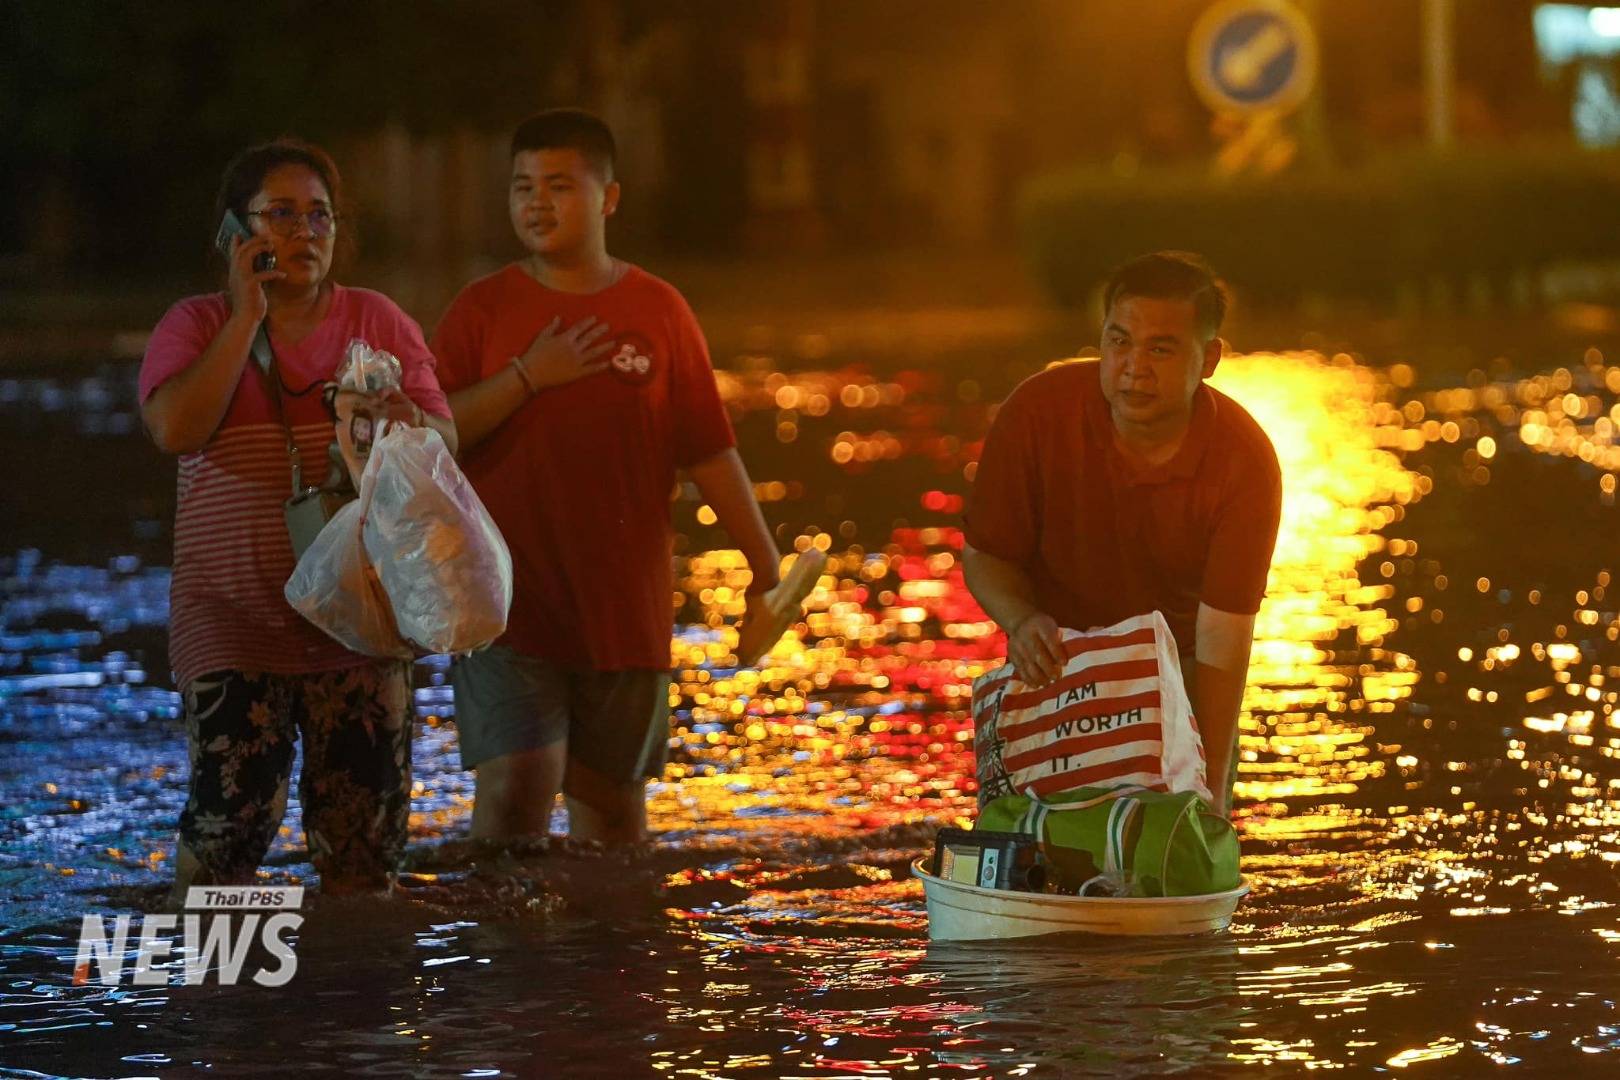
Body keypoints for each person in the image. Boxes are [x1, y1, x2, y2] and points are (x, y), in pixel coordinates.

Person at [430, 109, 782, 844]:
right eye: (523, 186)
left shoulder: (658, 309)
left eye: (559, 185)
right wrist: (528, 375)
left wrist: (764, 562)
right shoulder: (482, 309)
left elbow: (710, 451)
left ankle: (607, 957)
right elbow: (431, 435)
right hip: (504, 605)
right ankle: (506, 956)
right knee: (516, 786)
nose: (536, 202)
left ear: (608, 199)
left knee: (613, 814)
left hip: (624, 611)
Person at [140, 140, 458, 896]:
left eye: (319, 215)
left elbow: (446, 445)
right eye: (280, 214)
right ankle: (217, 998)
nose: (304, 231)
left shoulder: (376, 320)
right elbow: (175, 430)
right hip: (232, 619)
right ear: (235, 232)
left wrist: (400, 415)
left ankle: (345, 995)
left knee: (363, 842)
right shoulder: (195, 324)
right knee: (230, 826)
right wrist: (244, 317)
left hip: (362, 621)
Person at [962, 251, 1281, 816]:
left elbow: (1223, 640)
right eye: (1119, 342)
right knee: (1034, 842)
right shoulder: (1036, 412)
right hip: (1053, 658)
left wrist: (1213, 792)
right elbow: (986, 557)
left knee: (1179, 827)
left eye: (1161, 348)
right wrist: (1021, 620)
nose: (1135, 367)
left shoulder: (1245, 461)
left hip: (1172, 675)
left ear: (1208, 359)